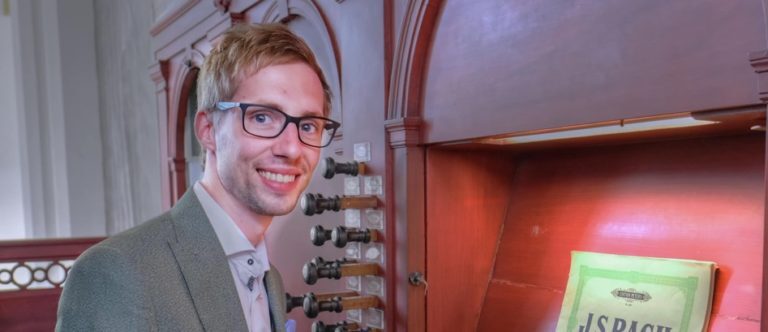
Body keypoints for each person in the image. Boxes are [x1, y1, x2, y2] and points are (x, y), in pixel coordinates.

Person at [55, 23, 339, 332]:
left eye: (308, 125)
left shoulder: (269, 276)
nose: (292, 148)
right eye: (261, 117)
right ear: (208, 130)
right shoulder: (118, 272)